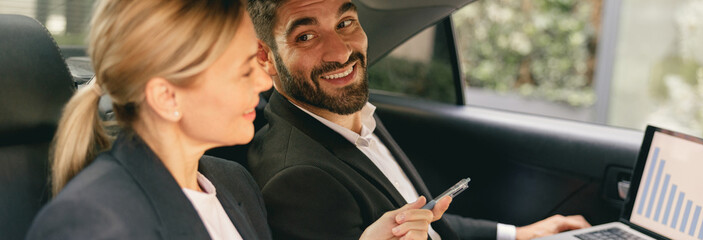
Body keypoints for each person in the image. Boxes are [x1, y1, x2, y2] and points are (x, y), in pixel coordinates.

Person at [25, 0, 449, 239]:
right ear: (167, 96)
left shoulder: (233, 183)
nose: (263, 86)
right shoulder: (95, 223)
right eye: (242, 69)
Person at [246, 0, 593, 239]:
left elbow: (419, 219)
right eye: (305, 36)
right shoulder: (297, 181)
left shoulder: (349, 113)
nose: (340, 52)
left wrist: (520, 234)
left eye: (345, 23)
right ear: (267, 57)